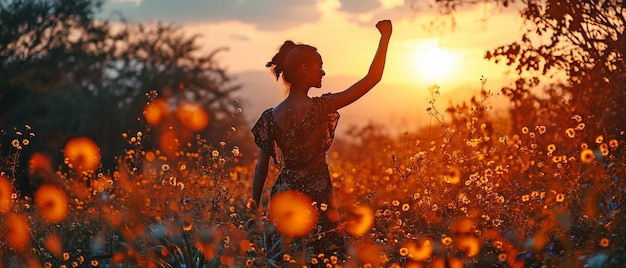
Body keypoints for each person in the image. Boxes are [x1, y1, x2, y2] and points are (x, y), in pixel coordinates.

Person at [251, 19, 392, 256]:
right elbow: (372, 79)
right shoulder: (321, 107)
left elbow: (260, 168)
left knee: (285, 257)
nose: (324, 71)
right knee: (323, 256)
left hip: (282, 200)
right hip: (318, 200)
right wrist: (385, 38)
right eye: (320, 65)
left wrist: (252, 212)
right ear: (304, 69)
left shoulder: (269, 118)